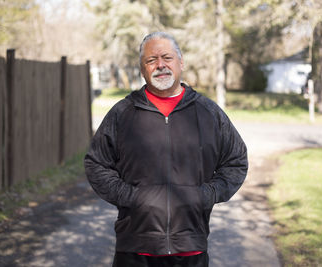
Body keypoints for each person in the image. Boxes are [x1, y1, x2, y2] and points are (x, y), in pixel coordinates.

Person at [84, 32, 248, 267]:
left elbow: (236, 161)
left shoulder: (208, 113)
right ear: (142, 70)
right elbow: (96, 163)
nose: (160, 65)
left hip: (190, 247)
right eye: (151, 60)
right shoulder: (123, 113)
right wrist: (132, 197)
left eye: (167, 57)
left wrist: (205, 195)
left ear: (181, 63)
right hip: (135, 249)